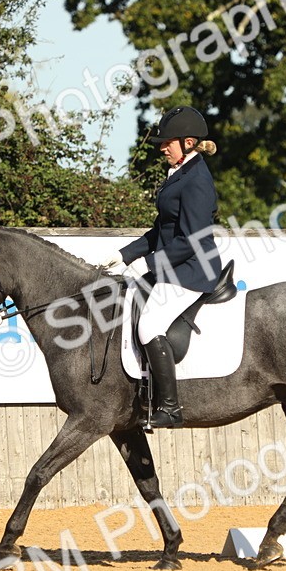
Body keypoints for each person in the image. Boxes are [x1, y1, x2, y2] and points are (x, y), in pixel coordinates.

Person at [100, 106, 222, 428]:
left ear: (189, 142)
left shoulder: (196, 179)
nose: (162, 147)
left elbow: (192, 240)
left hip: (193, 270)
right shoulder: (180, 174)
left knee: (149, 324)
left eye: (168, 142)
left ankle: (170, 408)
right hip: (174, 266)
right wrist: (124, 254)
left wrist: (148, 263)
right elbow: (160, 231)